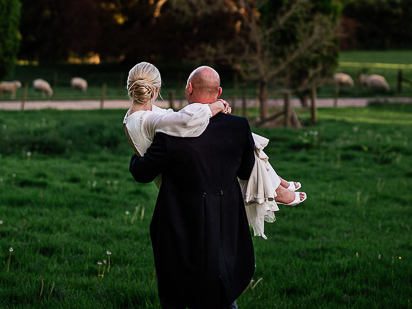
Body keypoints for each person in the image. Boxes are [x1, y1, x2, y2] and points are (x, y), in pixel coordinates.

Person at [130, 64, 295, 309]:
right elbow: (247, 170)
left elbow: (142, 173)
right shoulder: (237, 126)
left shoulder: (169, 132)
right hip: (223, 217)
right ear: (218, 93)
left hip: (178, 218)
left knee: (171, 280)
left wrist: (136, 152)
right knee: (219, 272)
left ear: (188, 90)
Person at [123, 62, 306, 238]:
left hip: (180, 180)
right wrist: (216, 106)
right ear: (156, 90)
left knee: (248, 138)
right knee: (244, 138)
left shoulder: (133, 117)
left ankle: (277, 184)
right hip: (186, 186)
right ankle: (276, 189)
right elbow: (184, 121)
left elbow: (175, 119)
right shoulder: (148, 120)